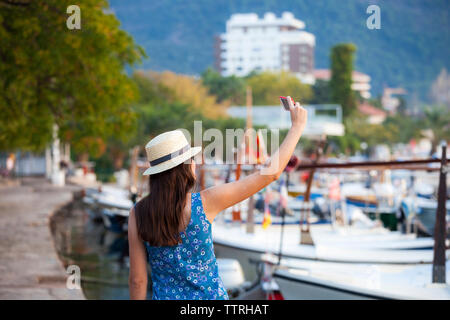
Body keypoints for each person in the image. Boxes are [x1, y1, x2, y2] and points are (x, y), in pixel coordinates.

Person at [128, 97, 307, 300]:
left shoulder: (138, 213)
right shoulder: (205, 203)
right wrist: (297, 127)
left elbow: (138, 281)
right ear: (186, 167)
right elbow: (270, 174)